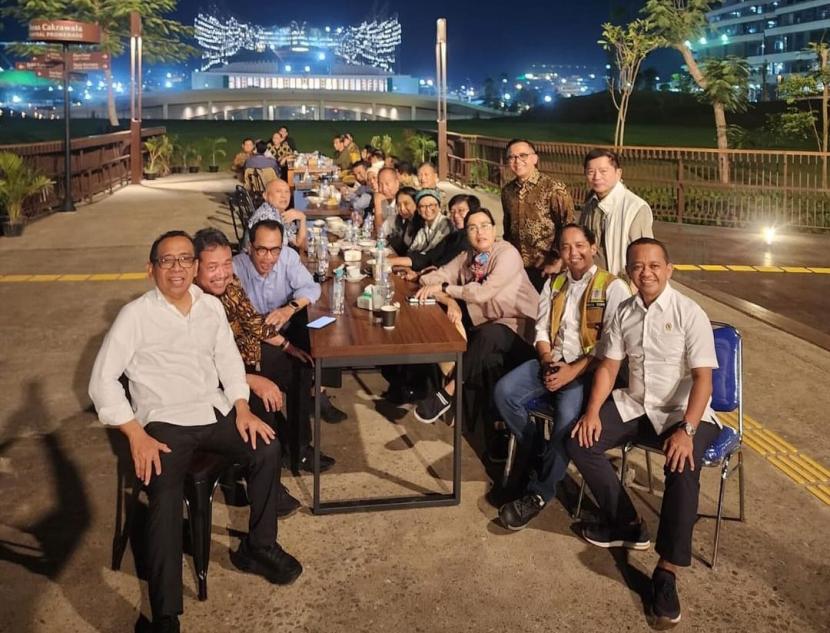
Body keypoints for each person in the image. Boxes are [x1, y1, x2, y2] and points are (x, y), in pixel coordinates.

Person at [89, 231, 302, 632]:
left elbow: (227, 359)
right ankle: (164, 615)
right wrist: (135, 433)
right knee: (165, 495)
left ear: (194, 267)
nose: (177, 269)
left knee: (266, 449)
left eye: (185, 260)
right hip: (163, 421)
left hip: (213, 409)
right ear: (151, 269)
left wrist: (241, 407)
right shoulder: (135, 316)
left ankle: (258, 547)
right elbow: (101, 381)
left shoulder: (209, 307)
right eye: (167, 261)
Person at [567, 237, 721, 630]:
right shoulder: (624, 312)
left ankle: (666, 572)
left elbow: (704, 379)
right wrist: (591, 412)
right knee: (580, 440)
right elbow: (607, 366)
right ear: (629, 272)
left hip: (682, 412)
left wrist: (687, 429)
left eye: (654, 265)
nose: (646, 272)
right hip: (637, 404)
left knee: (683, 467)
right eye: (638, 266)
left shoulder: (690, 312)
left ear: (669, 270)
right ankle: (628, 523)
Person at [491, 224, 631, 521]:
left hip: (587, 369)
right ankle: (538, 452)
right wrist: (545, 361)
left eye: (580, 245)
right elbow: (541, 329)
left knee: (566, 422)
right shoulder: (555, 284)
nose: (573, 253)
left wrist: (572, 371)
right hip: (552, 361)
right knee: (504, 393)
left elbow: (611, 344)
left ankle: (541, 491)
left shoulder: (612, 286)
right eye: (566, 247)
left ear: (593, 247)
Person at [193, 228, 335, 478]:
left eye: (226, 264)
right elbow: (202, 363)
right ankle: (266, 475)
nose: (223, 273)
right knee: (263, 398)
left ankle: (299, 449)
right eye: (212, 266)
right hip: (228, 371)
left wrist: (288, 347)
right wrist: (250, 379)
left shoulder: (231, 284)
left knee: (300, 367)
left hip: (250, 353)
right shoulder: (194, 301)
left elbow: (253, 322)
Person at [413, 209, 538, 447]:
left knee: (489, 335)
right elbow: (429, 278)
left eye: (484, 225)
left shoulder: (507, 254)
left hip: (523, 333)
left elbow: (482, 293)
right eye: (472, 228)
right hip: (491, 332)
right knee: (483, 355)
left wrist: (447, 288)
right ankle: (492, 437)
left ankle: (447, 392)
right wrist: (448, 298)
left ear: (494, 228)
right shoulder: (467, 257)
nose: (479, 232)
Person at [233, 220, 342, 468]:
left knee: (303, 367)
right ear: (250, 247)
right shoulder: (235, 268)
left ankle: (300, 448)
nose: (268, 257)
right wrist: (285, 345)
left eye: (275, 250)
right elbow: (247, 323)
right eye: (261, 249)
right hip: (250, 341)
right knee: (269, 375)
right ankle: (271, 448)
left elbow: (311, 288)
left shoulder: (288, 258)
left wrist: (289, 308)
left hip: (279, 334)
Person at [500, 138, 575, 291]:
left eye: (523, 156)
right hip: (517, 267)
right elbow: (507, 229)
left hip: (547, 268)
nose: (517, 161)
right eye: (512, 157)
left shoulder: (554, 189)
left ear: (534, 158)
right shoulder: (507, 191)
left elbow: (568, 227)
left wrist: (559, 260)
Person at [579, 148, 654, 277]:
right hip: (592, 282)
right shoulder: (589, 204)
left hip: (621, 285)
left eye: (603, 171)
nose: (597, 177)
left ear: (618, 173)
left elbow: (644, 255)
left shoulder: (635, 208)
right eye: (591, 172)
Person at [388, 193, 479, 275]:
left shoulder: (472, 240)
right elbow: (429, 257)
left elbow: (444, 267)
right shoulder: (453, 237)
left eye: (461, 210)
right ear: (418, 210)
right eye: (452, 212)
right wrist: (391, 261)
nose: (455, 215)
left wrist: (418, 274)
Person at [247, 178, 308, 251]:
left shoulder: (280, 212)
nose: (284, 196)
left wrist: (302, 217)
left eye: (287, 192)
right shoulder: (265, 217)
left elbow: (299, 243)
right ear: (265, 196)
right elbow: (269, 255)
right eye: (278, 191)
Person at [406, 189, 453, 256]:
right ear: (418, 211)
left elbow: (431, 251)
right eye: (423, 206)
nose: (428, 209)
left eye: (431, 205)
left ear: (439, 207)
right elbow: (411, 250)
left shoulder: (445, 223)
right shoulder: (423, 230)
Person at [383, 187, 423, 255]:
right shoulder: (405, 222)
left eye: (406, 204)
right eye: (399, 205)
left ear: (416, 204)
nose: (402, 208)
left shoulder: (422, 226)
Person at [373, 166, 400, 232]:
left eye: (387, 184)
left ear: (397, 183)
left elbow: (381, 232)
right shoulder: (384, 202)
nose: (384, 189)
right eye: (380, 184)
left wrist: (378, 206)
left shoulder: (401, 204)